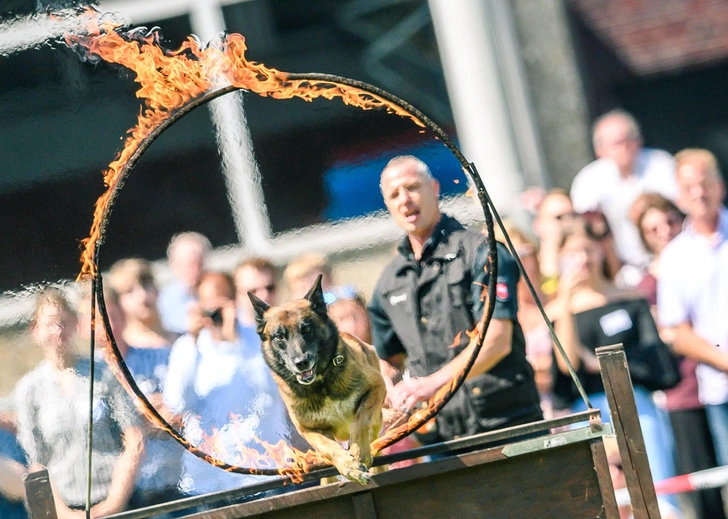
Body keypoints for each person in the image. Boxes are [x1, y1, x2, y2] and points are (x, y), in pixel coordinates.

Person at [368, 155, 543, 443]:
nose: (405, 199)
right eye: (394, 194)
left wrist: (430, 385)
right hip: (440, 438)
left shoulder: (482, 252)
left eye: (413, 187)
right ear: (387, 204)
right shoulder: (388, 282)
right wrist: (386, 384)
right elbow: (389, 361)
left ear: (435, 188)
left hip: (507, 426)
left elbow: (497, 341)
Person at [550, 219, 675, 484]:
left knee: (657, 485)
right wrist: (565, 300)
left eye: (589, 249)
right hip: (586, 411)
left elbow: (653, 355)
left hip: (634, 401)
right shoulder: (557, 311)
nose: (583, 259)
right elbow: (566, 365)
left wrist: (600, 363)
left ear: (600, 250)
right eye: (573, 253)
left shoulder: (629, 298)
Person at [633, 193, 725, 519]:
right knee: (703, 490)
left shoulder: (704, 258)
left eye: (669, 221)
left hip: (716, 381)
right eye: (652, 228)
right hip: (684, 392)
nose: (664, 231)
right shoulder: (644, 284)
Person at [14, 288, 144, 517]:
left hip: (117, 505)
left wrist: (113, 504)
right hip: (66, 508)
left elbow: (134, 440)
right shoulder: (29, 390)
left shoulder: (103, 375)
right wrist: (65, 514)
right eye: (50, 324)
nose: (58, 331)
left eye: (63, 322)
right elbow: (36, 465)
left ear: (75, 323)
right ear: (35, 331)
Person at [163, 272, 290, 496]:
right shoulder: (187, 347)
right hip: (208, 480)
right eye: (209, 303)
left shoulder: (260, 340)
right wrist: (193, 339)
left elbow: (271, 394)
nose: (216, 311)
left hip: (263, 472)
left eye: (222, 302)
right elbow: (177, 405)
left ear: (234, 301)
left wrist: (234, 343)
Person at [77, 284, 185, 509]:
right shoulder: (82, 379)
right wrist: (138, 417)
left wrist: (132, 422)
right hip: (119, 497)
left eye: (111, 316)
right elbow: (95, 435)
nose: (104, 326)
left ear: (124, 316)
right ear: (81, 327)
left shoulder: (160, 359)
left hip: (173, 486)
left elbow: (181, 415)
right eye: (93, 320)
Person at [658, 149, 728, 470]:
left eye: (705, 183)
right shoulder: (674, 257)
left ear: (720, 185)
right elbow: (677, 333)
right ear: (680, 196)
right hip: (720, 390)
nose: (699, 193)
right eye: (690, 188)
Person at [570, 109, 678, 274]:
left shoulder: (661, 164)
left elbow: (680, 209)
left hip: (671, 259)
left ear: (638, 140)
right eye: (616, 143)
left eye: (629, 139)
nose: (624, 147)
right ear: (600, 150)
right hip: (621, 270)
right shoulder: (588, 181)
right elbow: (581, 228)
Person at [108, 258, 178, 349]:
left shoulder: (183, 340)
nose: (142, 296)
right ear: (119, 302)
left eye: (146, 285)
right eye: (129, 291)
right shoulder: (121, 351)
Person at [158, 232, 211, 334]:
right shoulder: (165, 300)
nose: (196, 270)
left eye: (200, 263)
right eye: (190, 264)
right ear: (174, 265)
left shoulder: (219, 290)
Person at [233, 257, 278, 348]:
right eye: (254, 291)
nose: (264, 295)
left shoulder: (292, 327)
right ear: (237, 295)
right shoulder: (230, 333)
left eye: (269, 288)